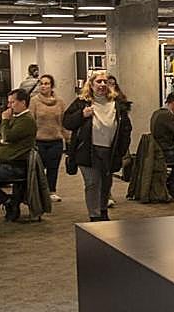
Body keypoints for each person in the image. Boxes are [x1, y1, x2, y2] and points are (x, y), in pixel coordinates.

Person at [64, 71, 132, 222]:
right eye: (98, 82)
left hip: (110, 151)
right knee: (93, 183)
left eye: (105, 82)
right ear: (91, 84)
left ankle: (102, 211)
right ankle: (94, 216)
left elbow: (126, 129)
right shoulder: (81, 102)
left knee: (106, 183)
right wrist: (82, 115)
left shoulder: (118, 104)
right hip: (87, 150)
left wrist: (121, 150)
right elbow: (67, 122)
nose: (102, 85)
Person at [0, 88, 36, 222]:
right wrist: (4, 138)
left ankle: (7, 201)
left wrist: (4, 122)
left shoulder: (26, 120)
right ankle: (7, 200)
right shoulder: (15, 118)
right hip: (4, 163)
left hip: (16, 167)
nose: (9, 106)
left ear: (23, 103)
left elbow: (6, 136)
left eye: (12, 102)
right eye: (9, 102)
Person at [31, 74, 68, 203]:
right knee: (39, 169)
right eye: (41, 83)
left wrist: (68, 139)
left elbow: (64, 122)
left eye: (46, 83)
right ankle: (39, 193)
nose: (43, 86)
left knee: (53, 168)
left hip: (56, 140)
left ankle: (51, 191)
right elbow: (31, 121)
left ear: (52, 86)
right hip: (39, 140)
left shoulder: (60, 102)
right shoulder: (34, 101)